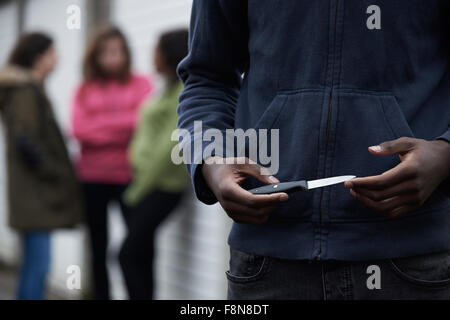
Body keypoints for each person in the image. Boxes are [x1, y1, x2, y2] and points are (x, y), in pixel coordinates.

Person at [177, 1, 450, 300]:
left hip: (413, 257)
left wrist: (445, 153)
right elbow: (207, 77)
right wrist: (212, 158)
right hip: (267, 260)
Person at [71, 26, 152, 300]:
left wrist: (101, 126)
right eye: (106, 53)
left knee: (138, 245)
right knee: (98, 246)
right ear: (96, 57)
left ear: (126, 53)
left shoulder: (142, 84)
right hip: (91, 178)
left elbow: (142, 124)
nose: (112, 58)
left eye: (117, 52)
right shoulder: (84, 89)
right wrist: (122, 126)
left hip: (129, 177)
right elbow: (79, 130)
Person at [0, 32, 83, 300]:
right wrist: (54, 171)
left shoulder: (27, 88)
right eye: (52, 53)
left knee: (33, 265)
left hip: (31, 191)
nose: (56, 58)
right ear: (38, 58)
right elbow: (26, 140)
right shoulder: (25, 91)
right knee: (38, 265)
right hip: (34, 193)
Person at [120, 29, 190, 300]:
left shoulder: (182, 91)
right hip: (147, 183)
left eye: (157, 49)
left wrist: (137, 190)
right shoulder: (167, 87)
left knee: (127, 254)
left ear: (169, 53)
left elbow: (168, 148)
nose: (152, 55)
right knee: (142, 254)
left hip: (160, 186)